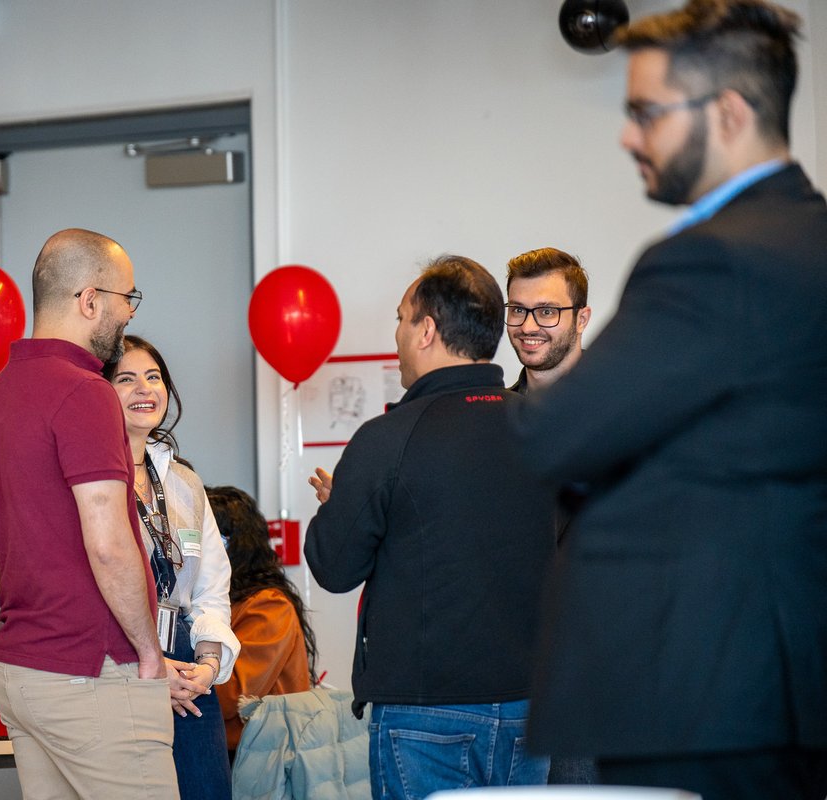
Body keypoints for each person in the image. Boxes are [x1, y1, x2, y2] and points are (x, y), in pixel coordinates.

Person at [513, 2, 827, 798]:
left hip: (704, 681)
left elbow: (556, 433)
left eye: (645, 113)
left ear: (728, 112)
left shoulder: (710, 262)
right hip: (787, 675)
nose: (627, 136)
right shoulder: (810, 241)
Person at [304, 255, 557, 798]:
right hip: (531, 706)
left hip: (427, 714)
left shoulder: (388, 437)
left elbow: (333, 566)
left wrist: (342, 505)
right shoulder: (547, 428)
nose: (395, 335)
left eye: (400, 318)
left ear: (426, 330)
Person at [0, 228, 179, 799]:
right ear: (90, 301)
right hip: (92, 669)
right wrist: (147, 652)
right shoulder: (85, 392)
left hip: (20, 671)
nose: (129, 314)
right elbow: (109, 542)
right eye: (126, 299)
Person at [101, 335, 238, 799]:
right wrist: (151, 668)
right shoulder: (92, 477)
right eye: (126, 379)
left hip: (187, 663)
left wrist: (209, 663)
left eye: (153, 377)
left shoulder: (183, 480)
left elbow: (211, 587)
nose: (145, 390)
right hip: (117, 655)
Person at [504, 246, 596, 785]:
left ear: (581, 317)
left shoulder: (624, 411)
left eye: (546, 311)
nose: (528, 325)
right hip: (508, 678)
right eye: (517, 310)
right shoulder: (490, 418)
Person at [205, 484, 317, 760]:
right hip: (236, 752)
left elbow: (230, 695)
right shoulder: (229, 601)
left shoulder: (268, 605)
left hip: (259, 760)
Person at [504, 247, 591, 395]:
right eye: (518, 310)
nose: (527, 328)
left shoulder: (623, 407)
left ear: (581, 320)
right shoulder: (499, 413)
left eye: (546, 312)